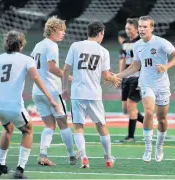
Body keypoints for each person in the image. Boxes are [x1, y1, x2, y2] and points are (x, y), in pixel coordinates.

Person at [0, 30, 61, 178]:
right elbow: (36, 79)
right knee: (28, 130)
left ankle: (0, 165)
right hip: (14, 106)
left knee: (7, 129)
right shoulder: (26, 60)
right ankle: (20, 170)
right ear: (20, 45)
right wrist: (51, 99)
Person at [116, 16, 175, 162]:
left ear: (151, 28)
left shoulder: (161, 43)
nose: (141, 29)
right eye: (140, 26)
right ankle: (148, 148)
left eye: (145, 27)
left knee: (162, 120)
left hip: (162, 85)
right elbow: (135, 66)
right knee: (148, 112)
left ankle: (159, 146)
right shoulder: (137, 45)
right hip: (146, 83)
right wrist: (118, 76)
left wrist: (166, 66)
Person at [62, 21, 121, 168]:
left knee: (78, 127)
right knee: (101, 126)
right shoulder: (103, 51)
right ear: (100, 33)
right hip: (94, 94)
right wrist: (114, 78)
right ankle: (108, 158)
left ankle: (84, 157)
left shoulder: (75, 46)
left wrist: (64, 88)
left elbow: (65, 70)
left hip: (77, 93)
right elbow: (106, 76)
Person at [31, 16, 76, 166]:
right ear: (54, 30)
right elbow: (52, 68)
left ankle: (43, 155)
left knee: (49, 125)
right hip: (51, 90)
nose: (64, 33)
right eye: (61, 30)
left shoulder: (38, 45)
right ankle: (72, 156)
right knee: (63, 123)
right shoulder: (51, 45)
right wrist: (70, 78)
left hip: (37, 91)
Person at [118, 18, 144, 143]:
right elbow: (124, 60)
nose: (127, 31)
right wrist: (120, 76)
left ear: (136, 29)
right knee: (125, 109)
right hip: (127, 78)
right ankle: (146, 121)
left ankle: (131, 136)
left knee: (131, 106)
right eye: (126, 28)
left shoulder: (142, 42)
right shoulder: (125, 43)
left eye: (129, 28)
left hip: (138, 78)